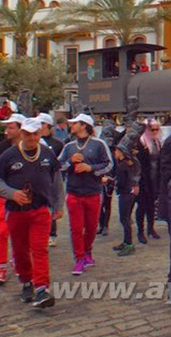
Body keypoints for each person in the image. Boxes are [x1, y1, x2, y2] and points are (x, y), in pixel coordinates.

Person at [0, 117, 64, 308]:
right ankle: (26, 282)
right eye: (28, 134)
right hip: (16, 211)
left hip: (40, 209)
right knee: (20, 249)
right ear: (21, 134)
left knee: (39, 249)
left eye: (35, 134)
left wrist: (58, 205)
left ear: (41, 133)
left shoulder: (47, 154)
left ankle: (42, 288)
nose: (31, 138)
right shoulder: (8, 155)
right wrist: (12, 194)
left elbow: (57, 181)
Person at [58, 113, 113, 276]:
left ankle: (87, 251)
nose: (71, 126)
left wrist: (91, 168)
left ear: (83, 125)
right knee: (76, 228)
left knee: (91, 227)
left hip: (93, 192)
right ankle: (79, 258)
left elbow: (109, 164)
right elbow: (58, 166)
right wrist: (70, 162)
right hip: (74, 192)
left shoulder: (98, 144)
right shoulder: (69, 146)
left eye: (75, 123)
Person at [0, 113, 25, 284]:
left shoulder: (31, 146)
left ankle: (18, 260)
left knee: (20, 234)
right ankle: (1, 266)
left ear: (20, 129)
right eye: (6, 127)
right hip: (3, 196)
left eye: (11, 127)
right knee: (2, 232)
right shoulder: (1, 148)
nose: (7, 130)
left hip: (23, 198)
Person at [111, 122, 144, 256]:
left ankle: (129, 244)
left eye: (117, 150)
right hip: (127, 193)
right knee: (124, 219)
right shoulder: (127, 164)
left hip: (125, 193)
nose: (115, 152)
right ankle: (126, 242)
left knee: (124, 219)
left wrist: (111, 182)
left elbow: (121, 181)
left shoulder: (123, 165)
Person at [37, 113, 64, 247]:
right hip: (40, 178)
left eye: (41, 124)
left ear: (47, 125)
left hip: (52, 178)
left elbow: (62, 161)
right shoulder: (34, 141)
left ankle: (52, 233)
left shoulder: (57, 143)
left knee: (52, 204)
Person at [136, 119, 162, 243]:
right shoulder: (141, 142)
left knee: (152, 205)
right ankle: (140, 232)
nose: (155, 131)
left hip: (154, 178)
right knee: (141, 206)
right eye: (152, 129)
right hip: (143, 179)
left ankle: (150, 228)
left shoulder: (157, 142)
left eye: (157, 129)